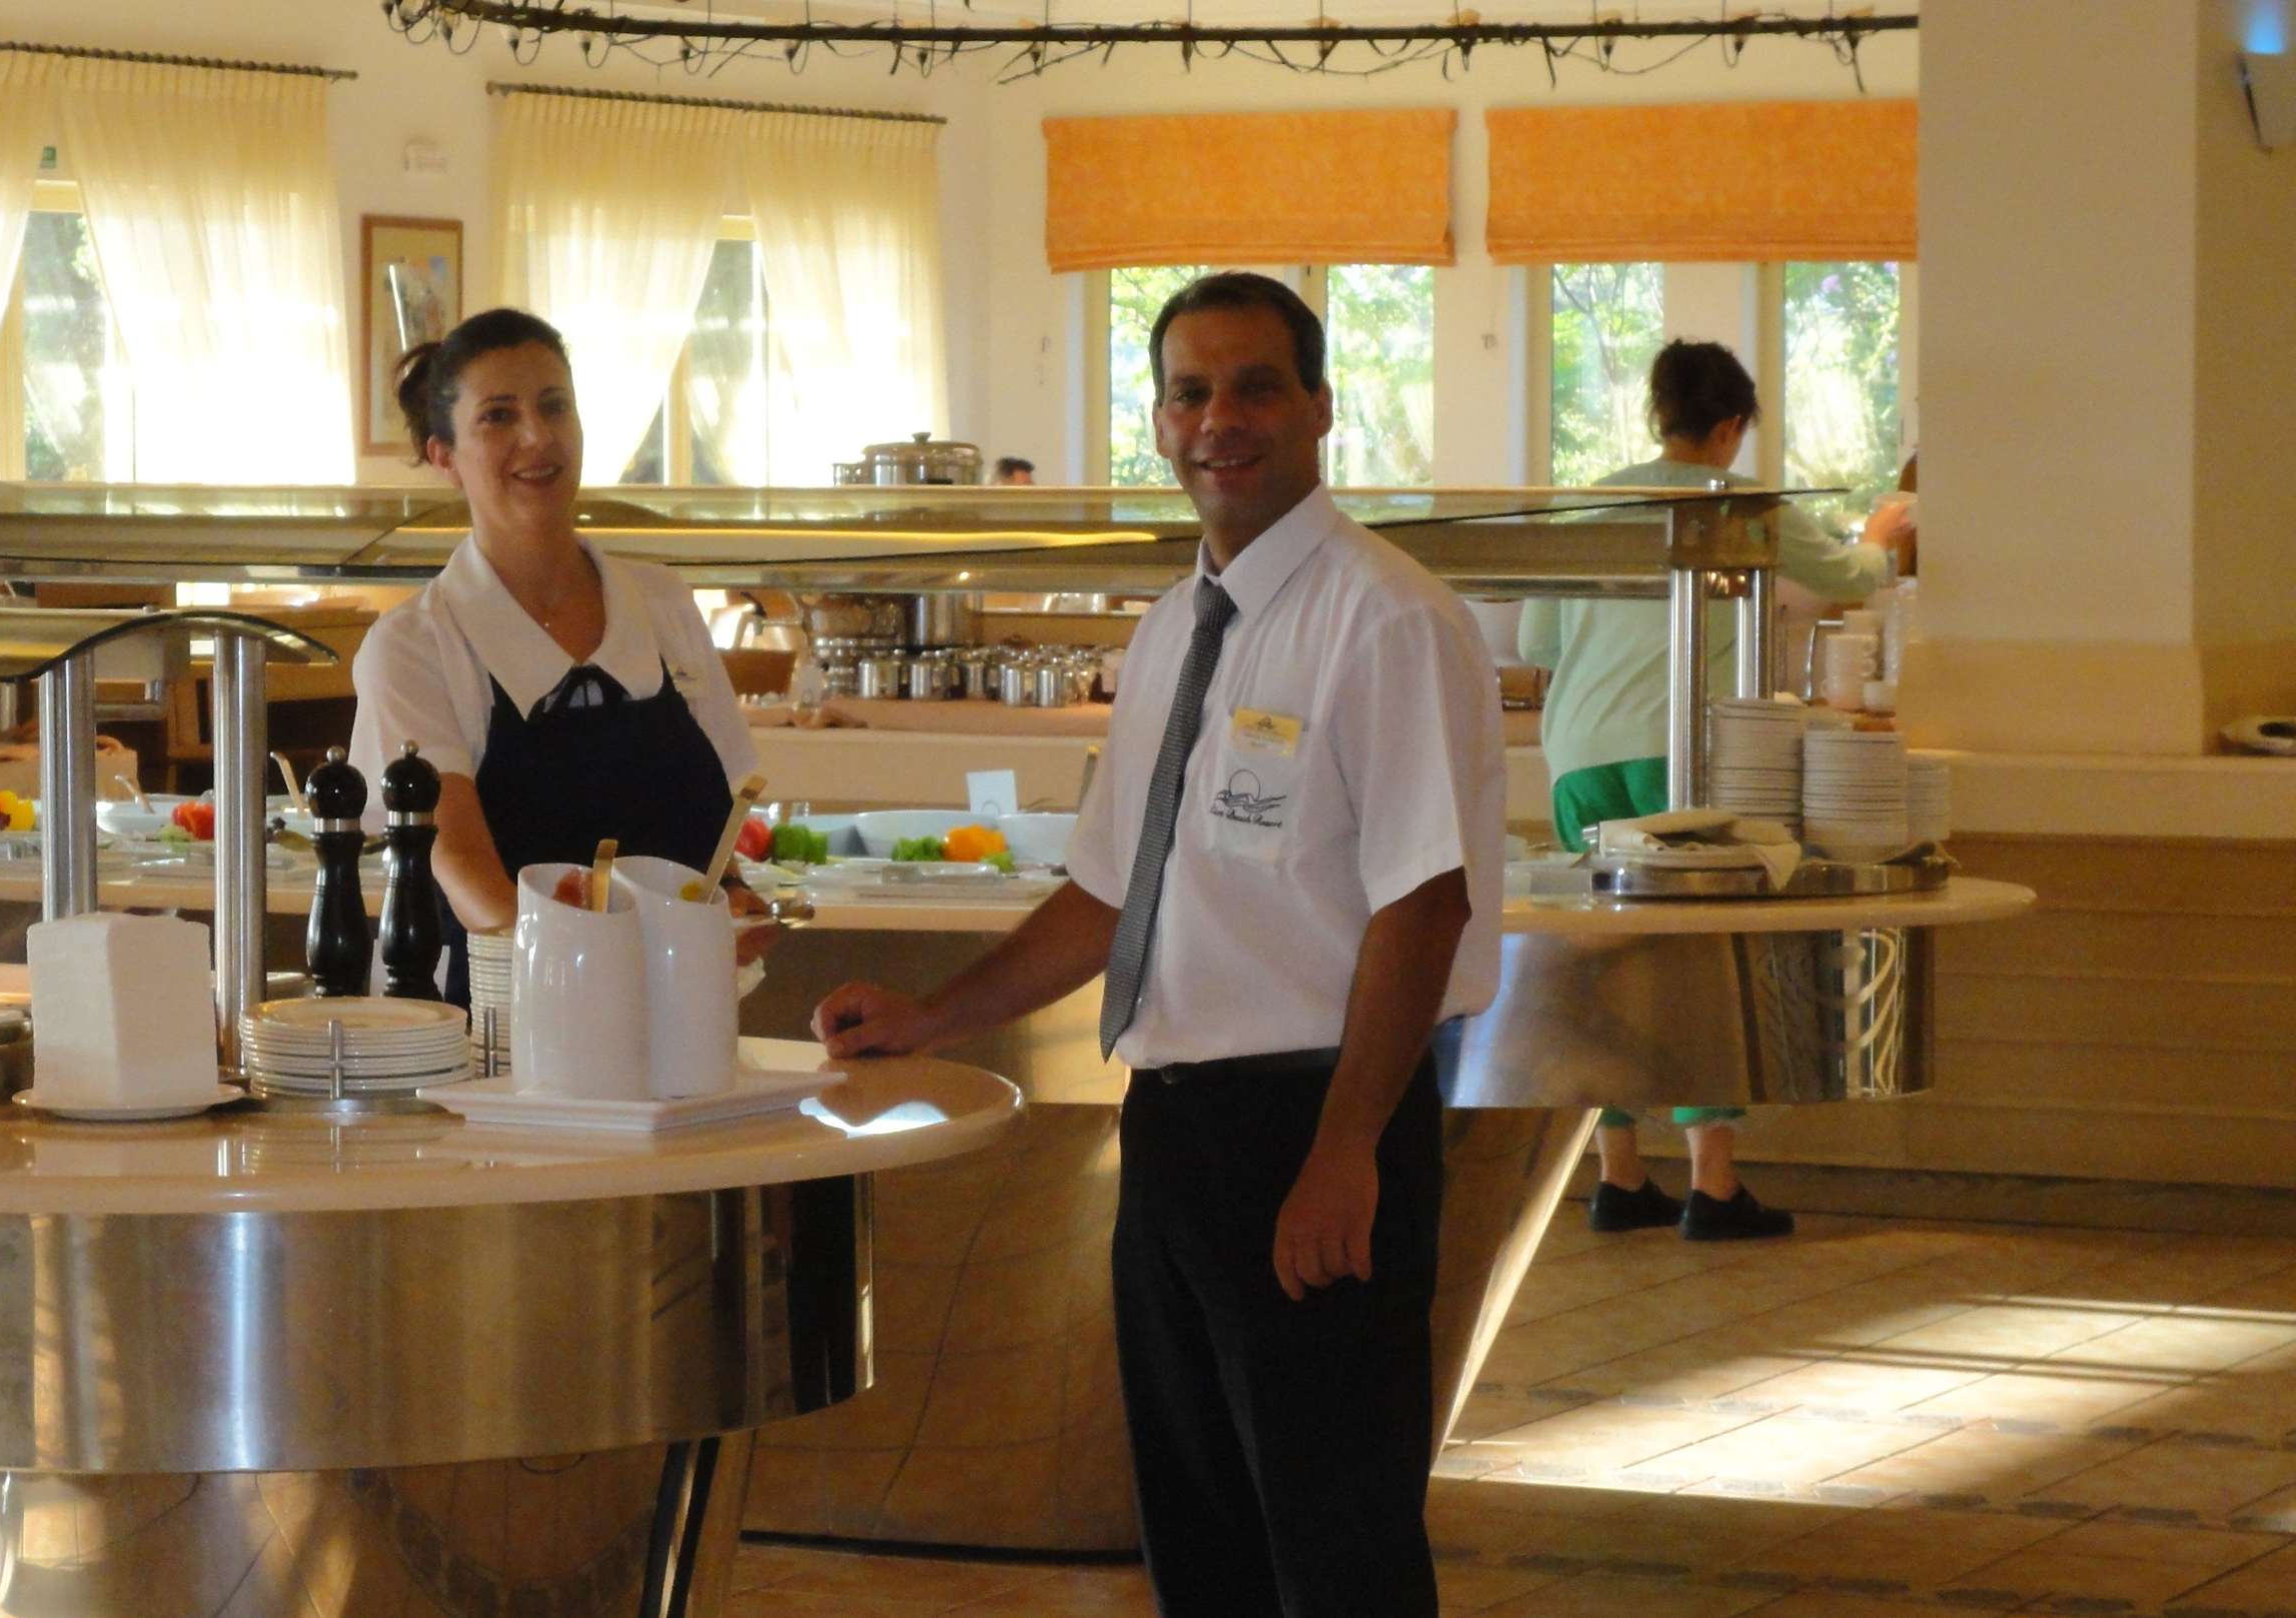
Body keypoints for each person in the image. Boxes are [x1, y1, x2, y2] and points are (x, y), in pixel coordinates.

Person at [813, 272, 1505, 1617]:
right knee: (1201, 1537)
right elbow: (1108, 891)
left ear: (1320, 405)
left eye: (1255, 386)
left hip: (1316, 1122)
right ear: (1159, 418)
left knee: (1339, 1542)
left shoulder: (1387, 618)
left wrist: (1345, 1150)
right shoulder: (1176, 624)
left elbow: (1424, 906)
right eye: (1190, 391)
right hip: (1178, 1131)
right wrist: (932, 1016)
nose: (1218, 419)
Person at [1518, 339, 1914, 1241]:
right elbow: (1848, 575)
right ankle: (1714, 1183)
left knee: (1603, 961)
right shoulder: (1742, 501)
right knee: (1699, 961)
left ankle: (1619, 1176)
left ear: (1659, 414)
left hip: (1576, 752)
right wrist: (1881, 534)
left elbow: (1539, 641)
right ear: (1731, 426)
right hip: (1679, 755)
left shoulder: (1594, 501)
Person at [350, 307, 771, 993]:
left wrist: (739, 906)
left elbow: (715, 851)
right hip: (498, 1028)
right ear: (444, 456)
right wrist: (605, 978)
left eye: (554, 406)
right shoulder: (414, 645)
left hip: (680, 1023)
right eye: (498, 416)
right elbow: (468, 878)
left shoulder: (663, 605)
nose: (537, 436)